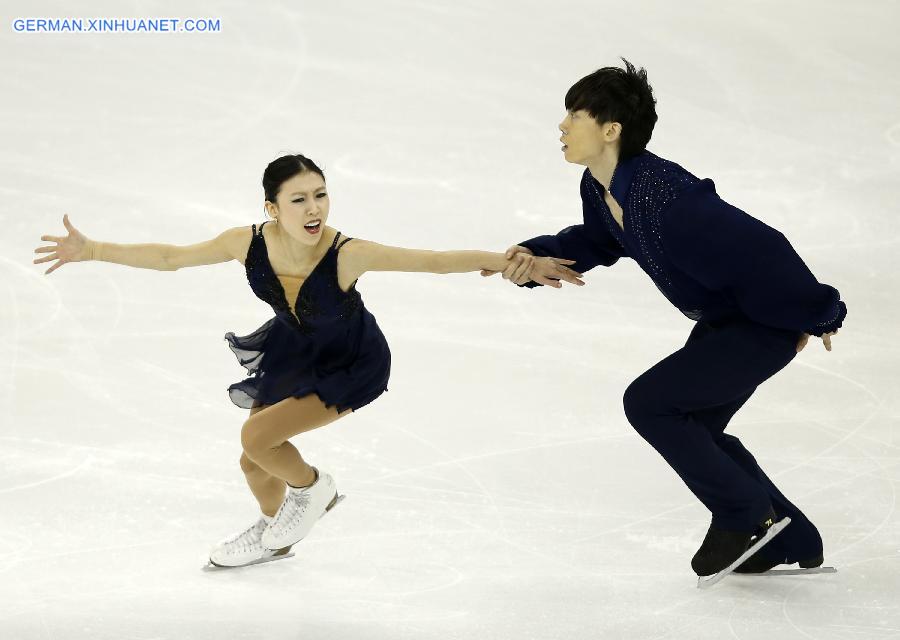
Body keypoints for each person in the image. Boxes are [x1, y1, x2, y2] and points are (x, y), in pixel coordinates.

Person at [32, 154, 577, 568]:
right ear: (271, 209)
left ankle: (315, 489)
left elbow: (431, 261)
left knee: (255, 440)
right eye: (298, 200)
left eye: (320, 195)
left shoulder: (346, 252)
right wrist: (94, 249)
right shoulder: (244, 242)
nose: (314, 208)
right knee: (253, 461)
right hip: (292, 351)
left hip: (350, 362)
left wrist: (512, 262)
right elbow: (172, 258)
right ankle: (277, 533)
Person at [482, 58, 847, 577]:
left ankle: (745, 516)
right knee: (695, 424)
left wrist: (819, 313)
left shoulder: (670, 199)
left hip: (762, 325)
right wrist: (537, 257)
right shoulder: (599, 186)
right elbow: (597, 241)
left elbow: (763, 249)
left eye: (574, 115)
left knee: (651, 403)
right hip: (728, 320)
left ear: (611, 130)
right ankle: (790, 536)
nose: (562, 127)